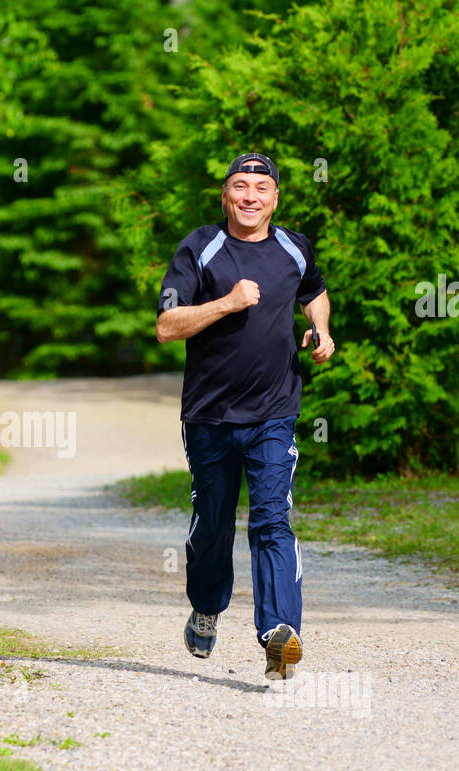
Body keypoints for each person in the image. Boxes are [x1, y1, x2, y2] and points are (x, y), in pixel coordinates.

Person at [155, 152, 333, 680]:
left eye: (261, 187)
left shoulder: (293, 248)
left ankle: (279, 634)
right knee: (214, 524)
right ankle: (207, 606)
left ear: (275, 198)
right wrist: (227, 304)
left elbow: (315, 293)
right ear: (226, 195)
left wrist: (321, 331)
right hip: (209, 414)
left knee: (272, 518)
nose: (250, 196)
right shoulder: (200, 248)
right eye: (240, 186)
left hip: (275, 411)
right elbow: (167, 325)